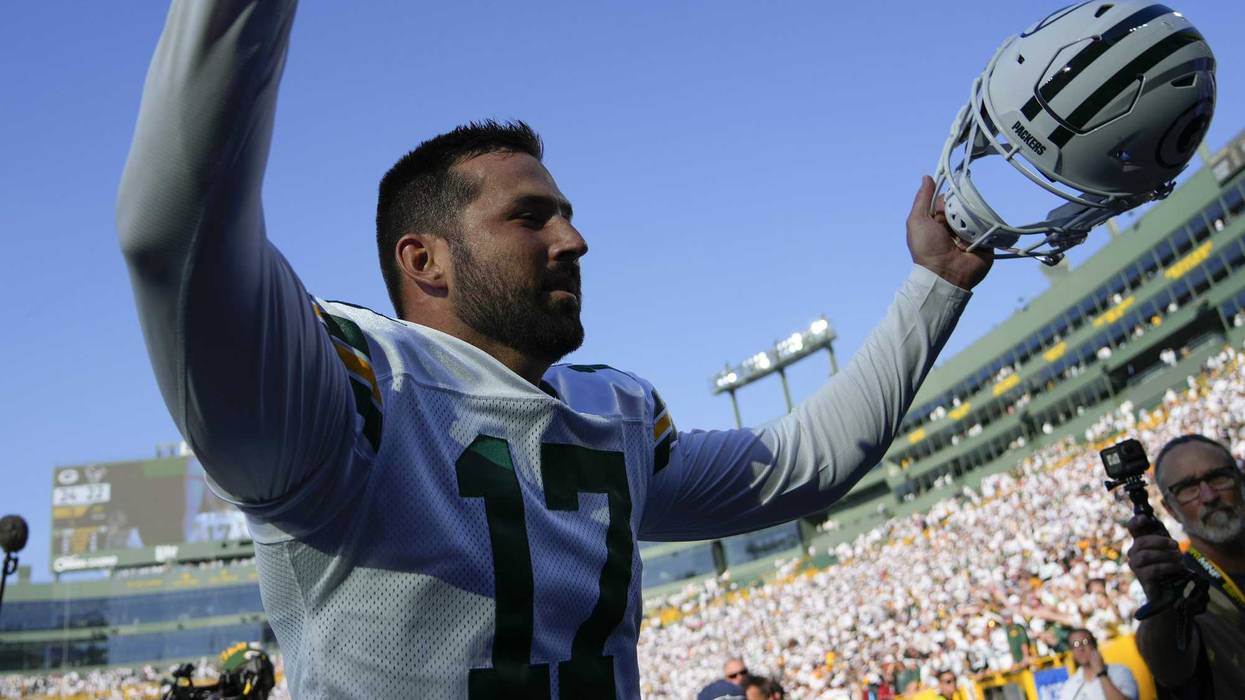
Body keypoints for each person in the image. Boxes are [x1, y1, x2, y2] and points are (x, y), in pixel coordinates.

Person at [117, 2, 991, 697]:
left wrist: (936, 284)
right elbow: (171, 232)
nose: (574, 240)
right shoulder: (351, 395)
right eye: (530, 217)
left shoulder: (609, 414)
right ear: (424, 261)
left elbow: (803, 467)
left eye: (565, 212)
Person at [1126, 434, 1245, 697]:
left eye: (1218, 477)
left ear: (1240, 480)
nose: (1209, 495)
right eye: (1188, 487)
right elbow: (1168, 665)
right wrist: (1162, 605)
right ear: (1169, 509)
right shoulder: (1186, 591)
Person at [1055, 629, 1138, 700]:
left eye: (1085, 642)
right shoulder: (1069, 686)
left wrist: (1101, 674)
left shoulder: (1120, 671)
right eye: (1075, 645)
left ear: (1095, 645)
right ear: (1072, 651)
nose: (1081, 648)